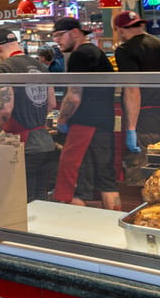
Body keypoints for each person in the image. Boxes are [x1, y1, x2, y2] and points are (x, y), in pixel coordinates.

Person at [51, 17, 120, 210]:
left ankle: (77, 235)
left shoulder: (79, 55)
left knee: (74, 184)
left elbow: (74, 95)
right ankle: (114, 227)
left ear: (74, 32)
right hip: (104, 125)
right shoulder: (96, 52)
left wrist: (61, 120)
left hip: (84, 128)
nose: (57, 40)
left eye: (59, 35)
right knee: (107, 182)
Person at [0, 28, 57, 201]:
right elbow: (52, 103)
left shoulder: (4, 68)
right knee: (40, 200)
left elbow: (4, 109)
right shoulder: (40, 66)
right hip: (45, 143)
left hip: (22, 146)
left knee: (21, 202)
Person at [112, 10, 160, 186]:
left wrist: (131, 129)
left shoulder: (125, 50)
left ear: (119, 29)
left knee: (142, 180)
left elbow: (133, 89)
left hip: (145, 120)